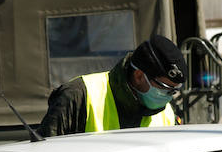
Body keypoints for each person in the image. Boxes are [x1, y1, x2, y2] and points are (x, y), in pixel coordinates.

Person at [39, 34, 185, 136]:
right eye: (165, 89)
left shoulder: (166, 114)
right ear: (139, 76)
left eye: (174, 91)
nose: (169, 97)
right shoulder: (78, 96)